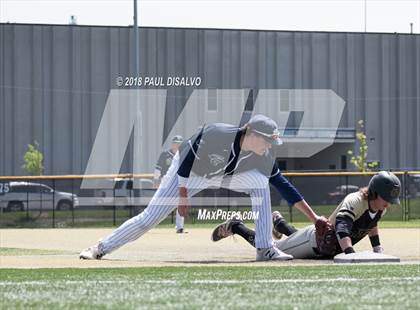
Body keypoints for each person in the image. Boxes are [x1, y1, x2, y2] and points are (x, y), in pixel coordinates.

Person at [80, 114, 321, 261]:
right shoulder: (218, 134)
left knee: (260, 183)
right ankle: (100, 248)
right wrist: (183, 194)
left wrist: (315, 218)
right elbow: (186, 156)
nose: (270, 146)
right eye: (269, 140)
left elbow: (285, 186)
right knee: (149, 219)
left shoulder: (262, 156)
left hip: (222, 175)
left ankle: (265, 248)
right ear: (254, 134)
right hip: (188, 172)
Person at [211, 171, 401, 259]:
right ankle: (237, 226)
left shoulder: (379, 207)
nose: (388, 204)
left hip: (326, 246)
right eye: (386, 199)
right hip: (314, 243)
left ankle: (280, 223)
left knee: (292, 238)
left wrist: (377, 250)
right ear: (375, 192)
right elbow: (342, 227)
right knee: (271, 248)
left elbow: (371, 225)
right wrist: (350, 254)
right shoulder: (356, 200)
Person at [153, 135, 186, 233]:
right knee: (158, 204)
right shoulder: (165, 155)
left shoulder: (184, 155)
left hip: (179, 182)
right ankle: (149, 222)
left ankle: (179, 227)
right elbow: (158, 169)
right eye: (176, 143)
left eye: (179, 143)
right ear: (172, 144)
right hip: (166, 182)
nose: (177, 145)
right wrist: (156, 180)